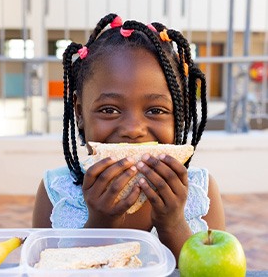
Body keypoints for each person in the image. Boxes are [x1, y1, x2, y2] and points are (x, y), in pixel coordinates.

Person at [32, 13, 225, 261]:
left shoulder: (201, 190)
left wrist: (173, 225)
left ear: (180, 114)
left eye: (156, 111)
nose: (133, 129)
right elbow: (44, 267)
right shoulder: (56, 191)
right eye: (109, 110)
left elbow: (213, 268)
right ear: (79, 112)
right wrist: (101, 224)